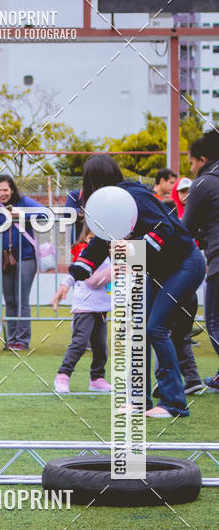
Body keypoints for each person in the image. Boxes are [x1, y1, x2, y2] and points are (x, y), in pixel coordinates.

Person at [52, 154, 205, 418]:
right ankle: (139, 400)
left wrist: (136, 246)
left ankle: (173, 404)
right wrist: (68, 280)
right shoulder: (106, 206)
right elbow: (98, 245)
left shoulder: (135, 196)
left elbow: (165, 228)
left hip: (184, 263)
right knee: (140, 331)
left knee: (155, 328)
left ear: (94, 182)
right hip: (159, 270)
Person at [0, 174, 45, 350]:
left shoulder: (24, 202)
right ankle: (11, 339)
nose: (2, 193)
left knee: (21, 299)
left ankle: (22, 340)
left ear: (12, 190)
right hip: (2, 258)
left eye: (5, 189)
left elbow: (44, 213)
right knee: (9, 299)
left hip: (26, 257)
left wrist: (23, 215)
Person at [52, 225, 112, 394]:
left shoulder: (110, 256)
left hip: (101, 308)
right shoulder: (85, 254)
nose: (95, 242)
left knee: (100, 347)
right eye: (91, 238)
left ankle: (97, 379)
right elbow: (88, 280)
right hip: (84, 307)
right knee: (79, 343)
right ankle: (63, 376)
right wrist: (64, 286)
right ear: (85, 238)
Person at [183, 129, 219, 391]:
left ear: (203, 160)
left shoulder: (204, 184)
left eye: (192, 162)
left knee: (215, 323)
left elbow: (185, 229)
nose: (191, 168)